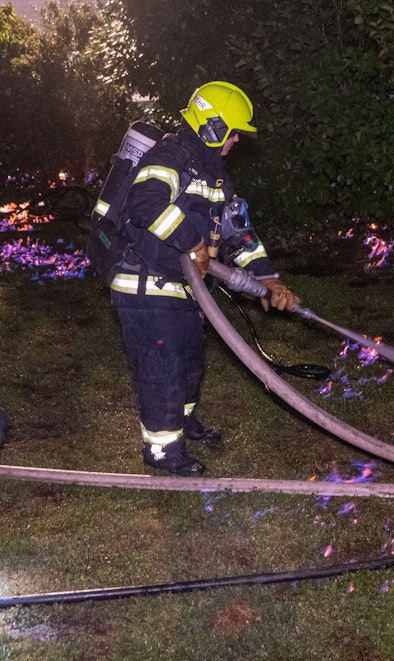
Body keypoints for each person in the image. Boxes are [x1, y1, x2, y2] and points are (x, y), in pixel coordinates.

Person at [110, 81, 299, 476]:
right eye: (232, 132)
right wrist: (192, 241)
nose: (235, 141)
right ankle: (162, 449)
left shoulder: (215, 176)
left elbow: (238, 233)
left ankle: (183, 423)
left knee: (190, 361)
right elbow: (145, 202)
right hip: (145, 284)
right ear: (213, 126)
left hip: (183, 290)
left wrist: (269, 278)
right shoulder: (170, 156)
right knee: (162, 365)